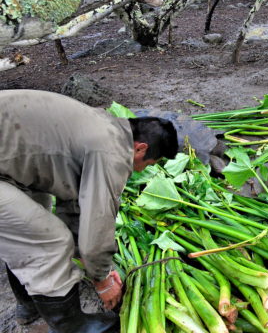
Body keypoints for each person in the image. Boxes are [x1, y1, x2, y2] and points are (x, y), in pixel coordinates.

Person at [0, 89, 178, 332]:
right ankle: (73, 327)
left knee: (30, 221)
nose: (140, 171)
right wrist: (102, 279)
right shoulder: (111, 153)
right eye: (149, 164)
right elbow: (98, 219)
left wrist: (88, 260)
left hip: (9, 160)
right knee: (49, 242)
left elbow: (75, 202)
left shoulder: (103, 126)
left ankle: (30, 304)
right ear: (140, 148)